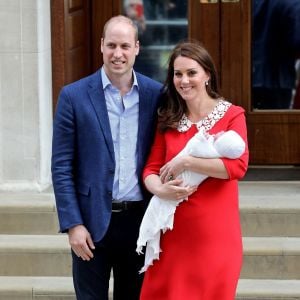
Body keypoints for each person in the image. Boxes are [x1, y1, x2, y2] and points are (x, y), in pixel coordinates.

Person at [51, 15, 162, 300]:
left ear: (137, 47)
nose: (118, 53)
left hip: (139, 222)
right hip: (90, 224)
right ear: (101, 46)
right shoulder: (73, 96)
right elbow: (62, 167)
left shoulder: (156, 95)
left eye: (125, 46)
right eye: (111, 45)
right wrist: (73, 224)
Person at [139, 41, 249, 300]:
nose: (184, 80)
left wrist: (186, 162)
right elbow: (151, 169)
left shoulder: (232, 115)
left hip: (215, 237)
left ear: (207, 75)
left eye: (192, 73)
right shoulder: (169, 117)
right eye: (178, 74)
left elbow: (238, 167)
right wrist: (160, 189)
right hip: (172, 238)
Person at [252, 0, 300, 109]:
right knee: (276, 123)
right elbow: (297, 41)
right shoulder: (293, 3)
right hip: (278, 79)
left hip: (246, 76)